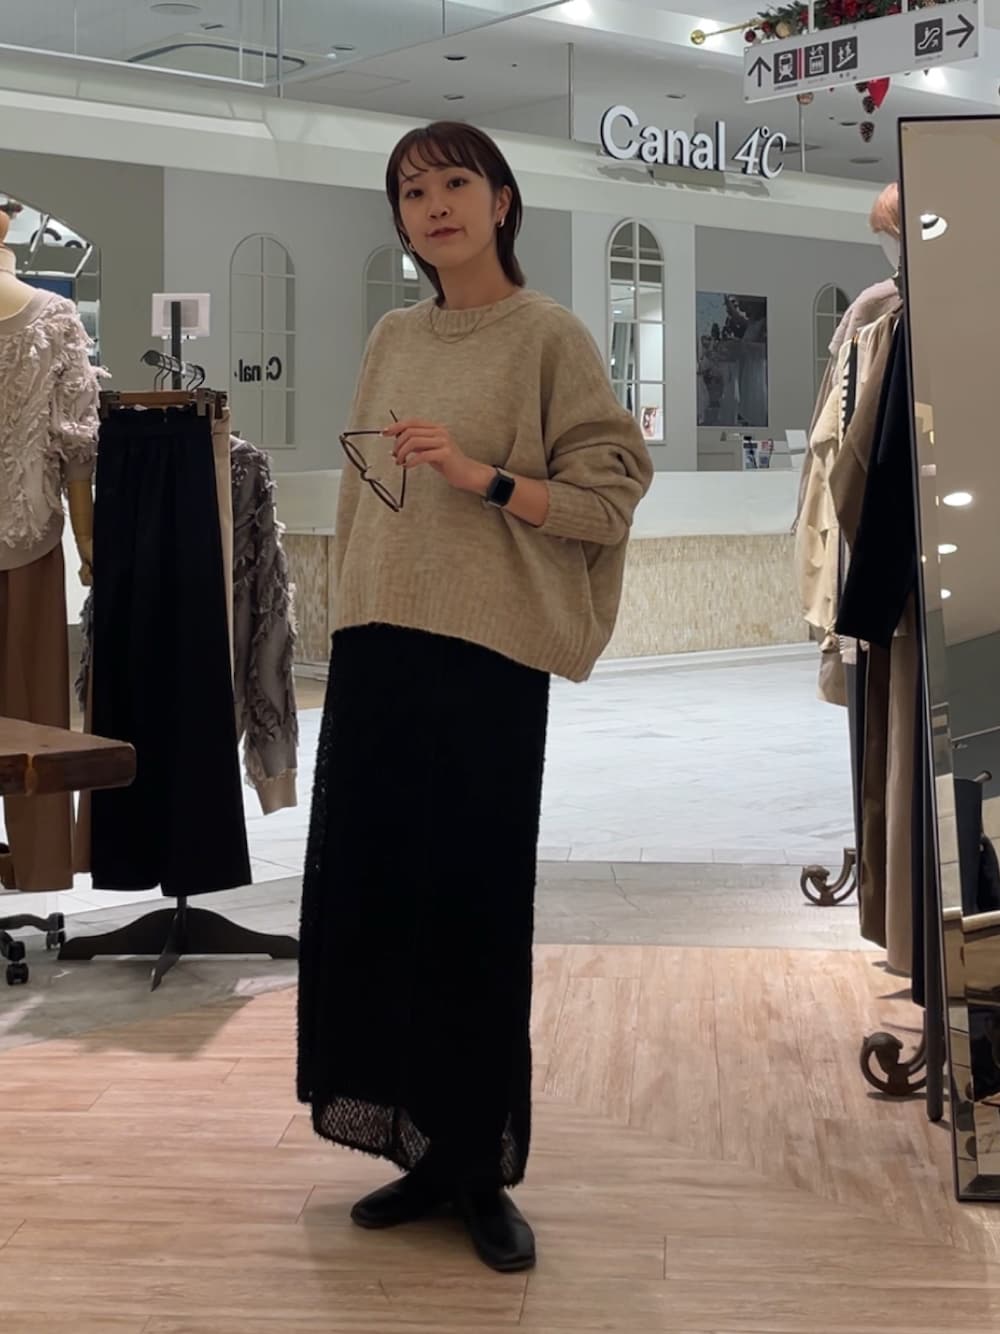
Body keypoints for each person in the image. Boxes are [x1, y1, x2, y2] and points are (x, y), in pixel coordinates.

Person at [296, 120, 653, 1275]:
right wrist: (348, 608)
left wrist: (477, 474)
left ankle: (478, 1164)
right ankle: (416, 1147)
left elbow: (607, 494)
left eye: (455, 181)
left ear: (501, 199)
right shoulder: (393, 335)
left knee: (471, 912)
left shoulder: (547, 334)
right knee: (376, 903)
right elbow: (364, 493)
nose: (434, 205)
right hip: (379, 650)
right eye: (411, 191)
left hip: (484, 660)